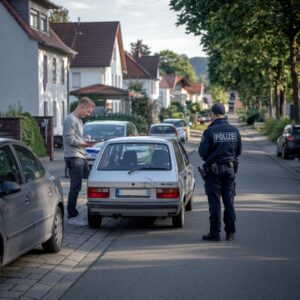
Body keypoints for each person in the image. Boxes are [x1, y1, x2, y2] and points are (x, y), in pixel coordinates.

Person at [199, 103, 242, 241]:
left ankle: (215, 233)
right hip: (230, 170)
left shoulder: (209, 132)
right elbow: (238, 151)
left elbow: (202, 153)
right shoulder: (234, 130)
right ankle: (230, 233)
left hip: (214, 171)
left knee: (215, 202)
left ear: (213, 114)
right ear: (224, 114)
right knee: (229, 201)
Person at [63, 97, 96, 220]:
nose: (88, 114)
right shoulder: (70, 119)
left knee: (92, 179)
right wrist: (86, 143)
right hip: (74, 156)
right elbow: (69, 140)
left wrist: (85, 140)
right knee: (75, 186)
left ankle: (92, 204)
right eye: (88, 111)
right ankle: (72, 212)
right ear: (81, 107)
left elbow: (76, 137)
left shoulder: (79, 120)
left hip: (81, 155)